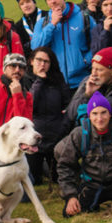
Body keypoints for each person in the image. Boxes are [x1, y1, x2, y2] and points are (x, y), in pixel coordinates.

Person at [31, 0, 92, 87]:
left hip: (83, 81)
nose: (53, 1)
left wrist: (86, 61)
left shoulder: (83, 17)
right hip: (56, 83)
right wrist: (52, 25)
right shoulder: (42, 23)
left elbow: (96, 44)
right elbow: (36, 48)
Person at [28, 47, 72, 185]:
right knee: (34, 180)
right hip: (34, 136)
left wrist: (62, 127)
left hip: (55, 135)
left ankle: (48, 168)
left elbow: (67, 103)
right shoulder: (26, 79)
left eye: (46, 62)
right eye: (39, 60)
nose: (42, 64)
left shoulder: (57, 80)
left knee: (58, 178)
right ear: (31, 61)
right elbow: (30, 105)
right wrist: (39, 81)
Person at [64, 47, 112, 131]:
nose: (94, 73)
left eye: (99, 70)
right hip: (87, 134)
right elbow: (70, 115)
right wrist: (87, 94)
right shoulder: (87, 82)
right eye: (93, 68)